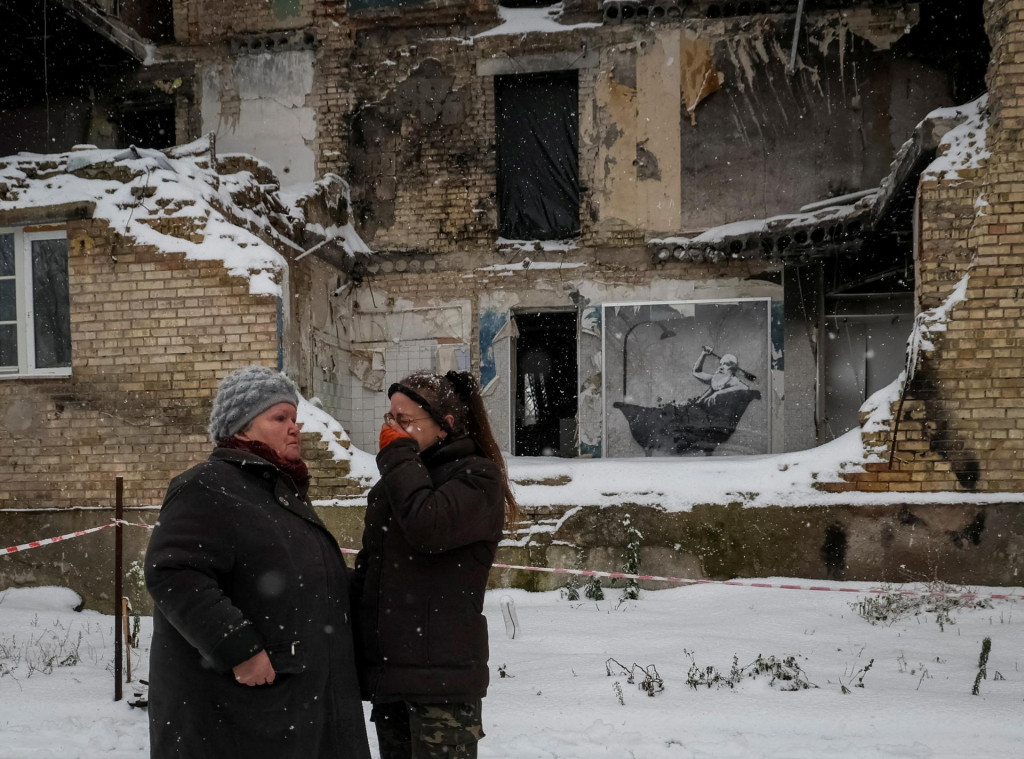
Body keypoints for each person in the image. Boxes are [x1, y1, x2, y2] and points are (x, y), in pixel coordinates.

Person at [144, 365, 371, 759]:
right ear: (241, 429)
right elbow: (173, 571)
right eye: (279, 418)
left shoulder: (276, 493)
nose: (294, 428)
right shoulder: (207, 486)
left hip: (292, 703)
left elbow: (299, 576)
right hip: (239, 710)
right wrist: (239, 648)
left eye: (294, 418)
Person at [353, 370, 517, 759]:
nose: (391, 429)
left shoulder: (477, 477)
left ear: (445, 427)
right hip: (392, 677)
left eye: (404, 421)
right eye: (388, 418)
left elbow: (428, 525)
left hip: (442, 683)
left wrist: (397, 454)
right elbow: (374, 570)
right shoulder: (400, 480)